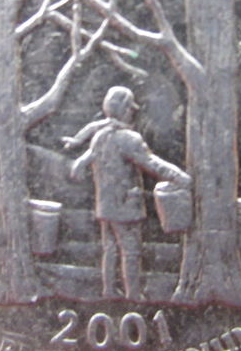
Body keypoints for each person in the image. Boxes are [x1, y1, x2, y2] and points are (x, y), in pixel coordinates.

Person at [63, 86, 190, 301]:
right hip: (125, 204)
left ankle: (109, 290)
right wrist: (179, 177)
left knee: (110, 248)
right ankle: (133, 294)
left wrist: (78, 164)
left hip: (105, 204)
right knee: (131, 250)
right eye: (130, 107)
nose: (133, 110)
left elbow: (87, 158)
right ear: (123, 109)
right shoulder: (128, 138)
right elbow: (151, 163)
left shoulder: (99, 136)